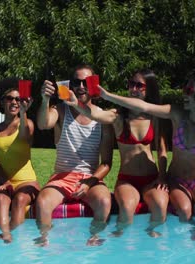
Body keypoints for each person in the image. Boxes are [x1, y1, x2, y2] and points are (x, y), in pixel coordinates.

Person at [97, 75, 195, 240]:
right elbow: (144, 106)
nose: (185, 94)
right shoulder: (177, 114)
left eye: (190, 91)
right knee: (184, 212)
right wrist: (107, 96)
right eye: (185, 89)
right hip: (176, 179)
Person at [65, 69, 169, 237]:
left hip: (152, 178)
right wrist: (76, 104)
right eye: (131, 84)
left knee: (160, 206)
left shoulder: (155, 116)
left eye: (139, 86)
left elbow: (162, 150)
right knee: (127, 210)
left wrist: (162, 176)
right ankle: (116, 242)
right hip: (128, 180)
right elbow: (96, 115)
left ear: (148, 89)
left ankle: (151, 243)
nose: (133, 89)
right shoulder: (118, 116)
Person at [35, 64, 114, 246]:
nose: (81, 86)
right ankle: (44, 242)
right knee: (43, 202)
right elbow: (43, 123)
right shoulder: (61, 111)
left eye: (86, 82)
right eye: (77, 82)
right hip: (62, 177)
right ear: (70, 86)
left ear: (94, 84)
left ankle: (94, 238)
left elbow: (107, 163)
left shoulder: (103, 118)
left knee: (103, 200)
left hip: (89, 178)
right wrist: (45, 99)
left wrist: (90, 182)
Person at [0, 78, 40, 244]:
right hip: (4, 180)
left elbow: (25, 136)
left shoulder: (27, 123)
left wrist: (24, 113)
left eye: (18, 99)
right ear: (3, 102)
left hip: (26, 181)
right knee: (1, 200)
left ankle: (7, 236)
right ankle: (6, 234)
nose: (14, 102)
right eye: (10, 98)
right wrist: (5, 180)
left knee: (20, 200)